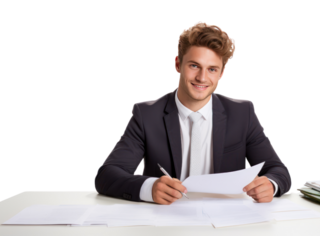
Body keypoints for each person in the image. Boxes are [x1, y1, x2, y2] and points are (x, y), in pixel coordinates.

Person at [94, 19, 292, 205]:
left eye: (212, 69)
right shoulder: (147, 115)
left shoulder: (242, 113)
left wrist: (271, 186)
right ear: (178, 64)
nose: (202, 78)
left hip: (227, 221)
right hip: (167, 222)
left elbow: (278, 170)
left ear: (222, 73)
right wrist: (149, 188)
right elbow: (107, 175)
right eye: (194, 65)